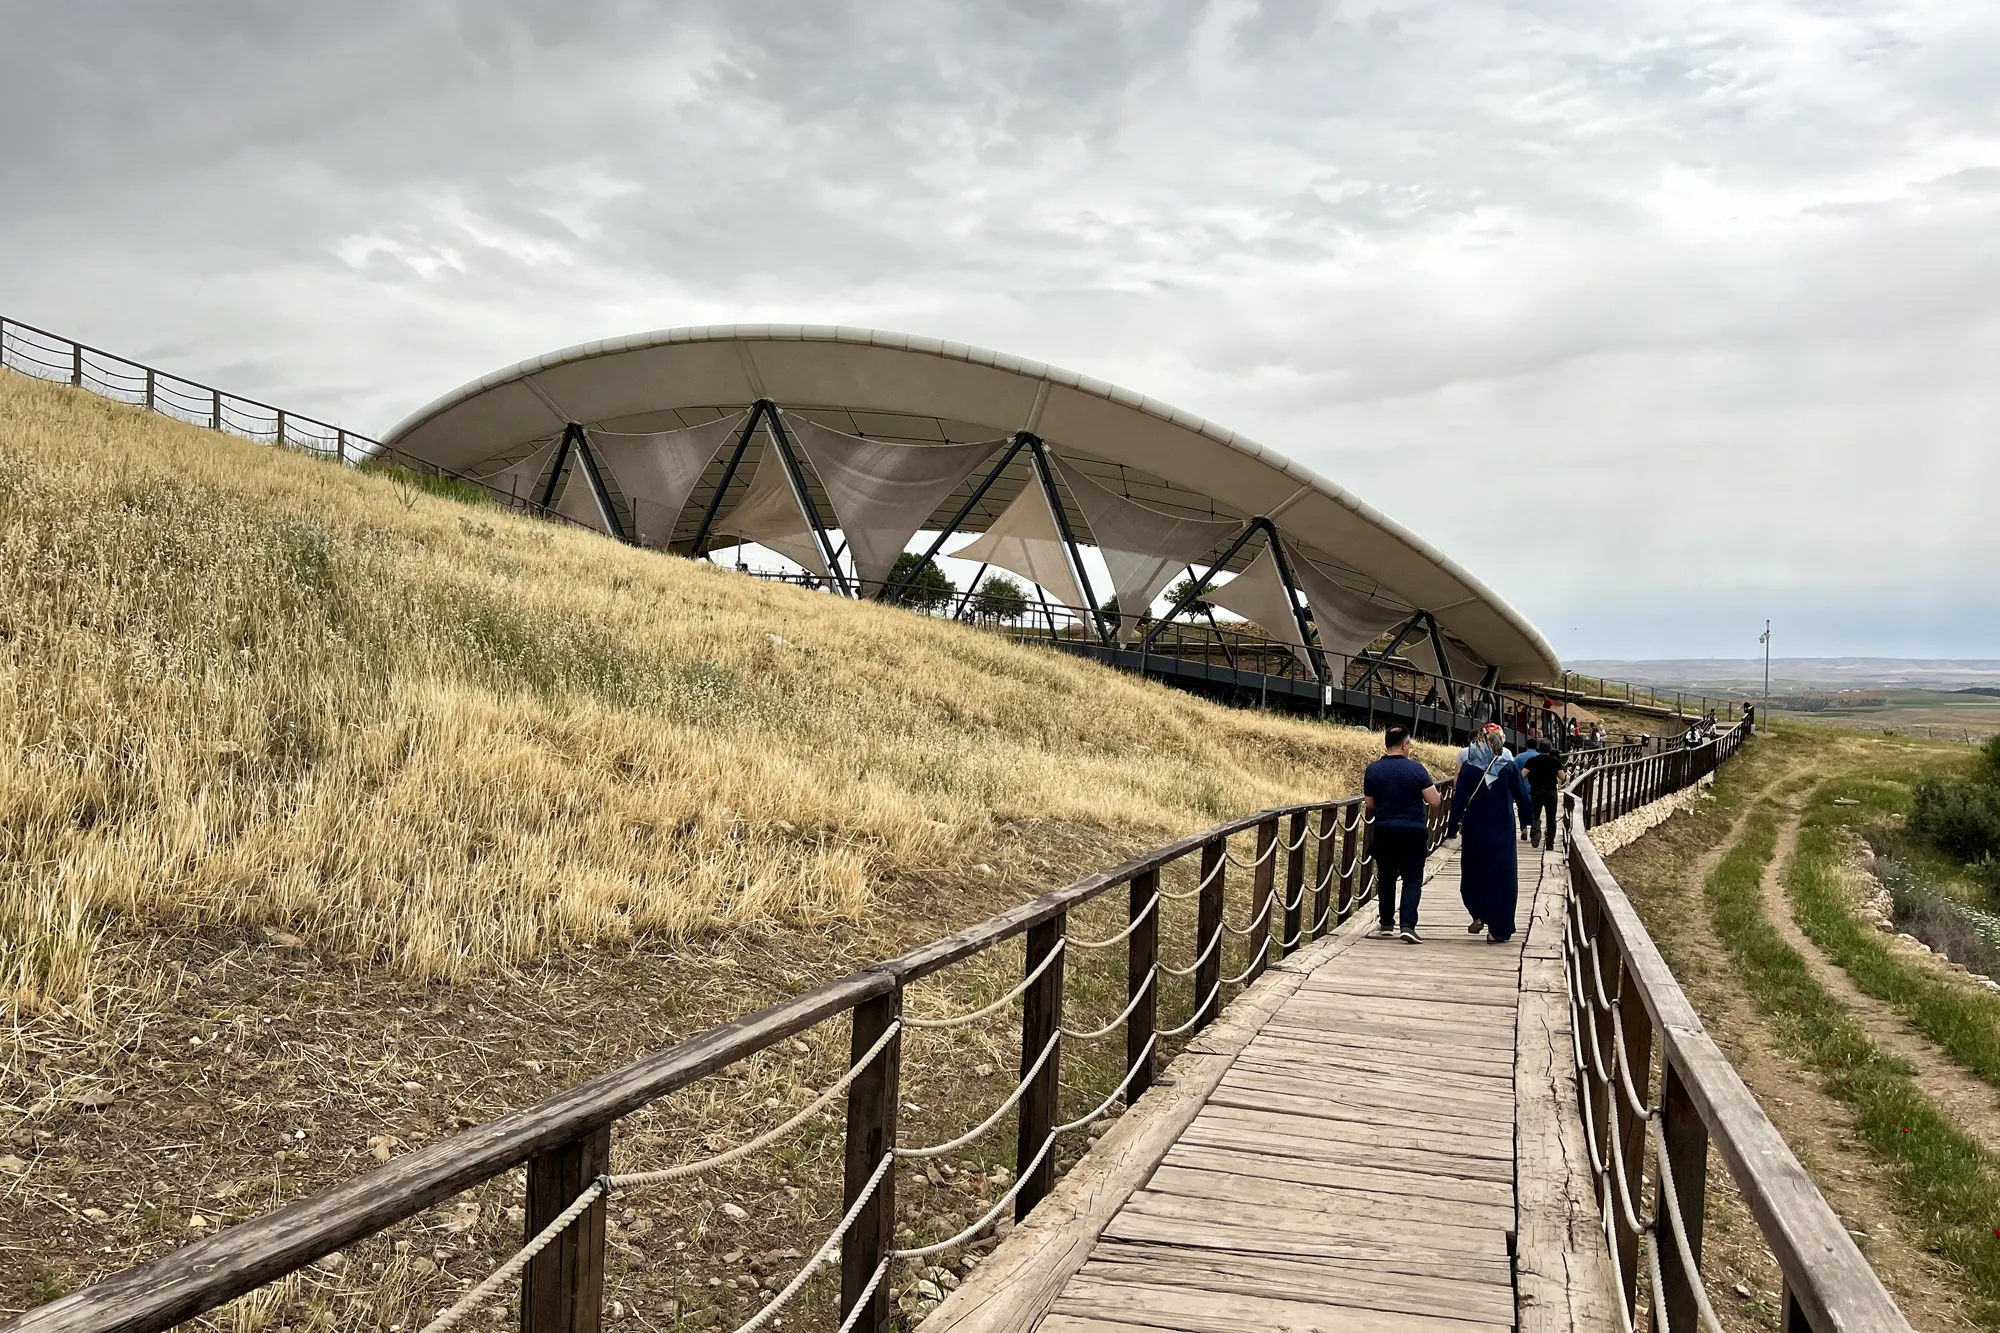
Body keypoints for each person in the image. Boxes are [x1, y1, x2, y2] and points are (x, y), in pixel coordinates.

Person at [1446, 724, 1533, 943]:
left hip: (1476, 828)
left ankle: (1478, 912)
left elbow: (1459, 801)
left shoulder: (1469, 767)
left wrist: (1452, 827)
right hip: (1503, 826)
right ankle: (1499, 929)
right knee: (1503, 875)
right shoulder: (1509, 767)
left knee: (1474, 871)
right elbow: (1522, 797)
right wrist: (1528, 822)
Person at [1363, 725, 1443, 943]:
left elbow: (1370, 804)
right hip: (1412, 830)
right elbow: (1434, 801)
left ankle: (1387, 923)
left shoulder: (1373, 769)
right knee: (1412, 879)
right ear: (1405, 744)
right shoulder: (1416, 769)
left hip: (1385, 829)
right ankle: (1408, 924)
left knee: (1387, 878)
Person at [1520, 737, 1564, 850]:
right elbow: (1562, 777)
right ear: (1550, 748)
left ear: (1538, 748)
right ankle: (1550, 842)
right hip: (1551, 791)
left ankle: (1535, 836)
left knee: (1535, 815)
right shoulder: (1555, 762)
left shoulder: (1532, 761)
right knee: (1551, 817)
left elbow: (1522, 775)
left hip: (1536, 791)